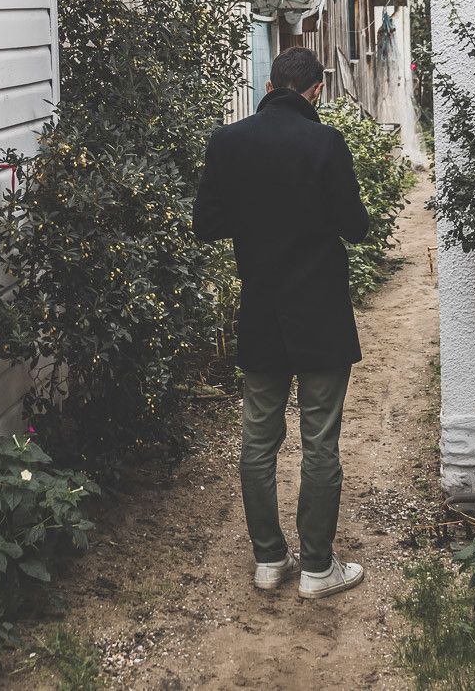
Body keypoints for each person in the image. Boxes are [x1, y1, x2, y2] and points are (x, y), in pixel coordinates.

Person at [193, 46, 370, 599]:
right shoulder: (325, 143)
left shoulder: (229, 141)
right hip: (320, 313)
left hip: (261, 311)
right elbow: (356, 226)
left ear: (270, 83)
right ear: (315, 91)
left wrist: (255, 222)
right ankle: (318, 568)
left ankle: (269, 560)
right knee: (320, 441)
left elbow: (206, 224)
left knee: (258, 440)